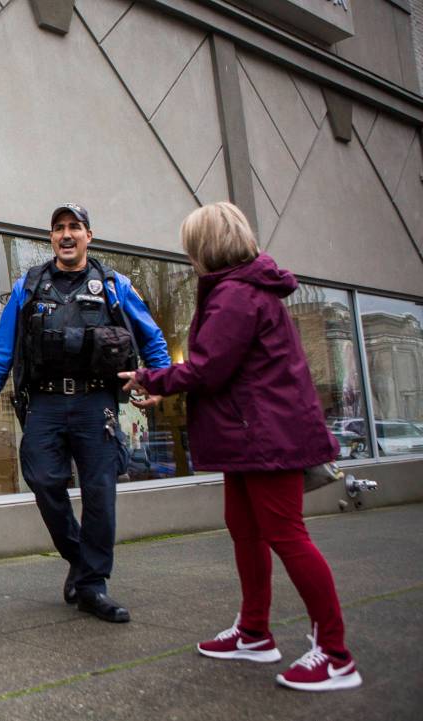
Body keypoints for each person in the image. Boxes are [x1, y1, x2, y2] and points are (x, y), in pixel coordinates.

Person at [120, 201, 361, 692]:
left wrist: (152, 376)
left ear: (205, 248)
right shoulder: (244, 290)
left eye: (191, 247)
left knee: (286, 535)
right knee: (245, 530)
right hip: (250, 433)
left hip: (264, 434)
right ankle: (254, 632)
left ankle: (335, 654)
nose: (188, 256)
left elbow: (209, 366)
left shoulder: (235, 294)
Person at [0, 203, 170, 623]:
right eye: (58, 228)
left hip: (95, 403)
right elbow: (4, 345)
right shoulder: (30, 285)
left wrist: (158, 379)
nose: (66, 234)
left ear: (88, 236)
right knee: (43, 481)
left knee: (100, 493)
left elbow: (151, 337)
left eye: (74, 227)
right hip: (43, 403)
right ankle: (81, 561)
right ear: (51, 238)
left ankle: (93, 586)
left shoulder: (114, 284)